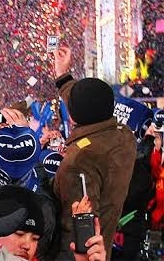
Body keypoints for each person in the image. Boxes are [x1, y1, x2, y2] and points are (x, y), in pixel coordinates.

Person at [52, 46, 137, 260]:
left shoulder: (79, 161)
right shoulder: (124, 136)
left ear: (72, 117)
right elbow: (88, 102)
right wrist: (62, 76)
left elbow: (81, 229)